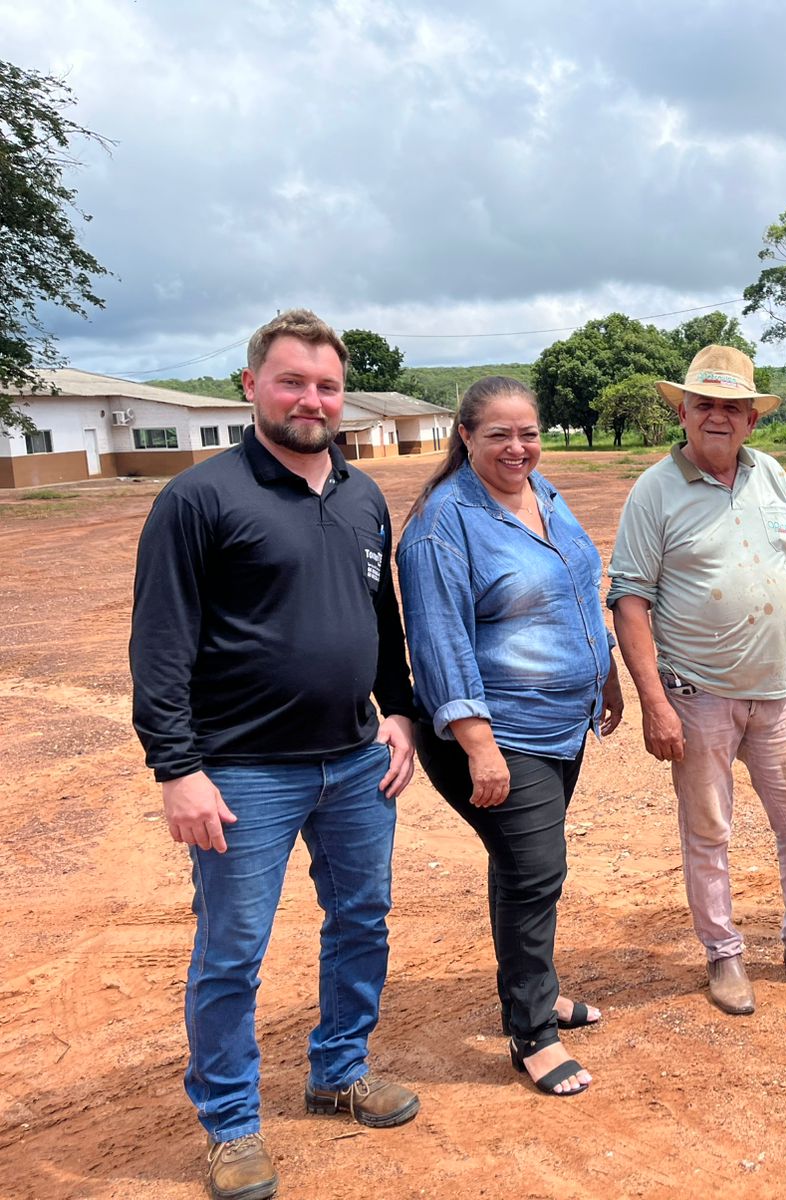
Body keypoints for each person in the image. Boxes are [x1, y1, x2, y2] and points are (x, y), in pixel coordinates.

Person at [130, 309, 420, 1200]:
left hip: (355, 762)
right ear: (250, 386)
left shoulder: (364, 495)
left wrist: (401, 712)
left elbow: (380, 622)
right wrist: (177, 769)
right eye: (292, 381)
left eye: (327, 385)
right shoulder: (199, 499)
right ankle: (231, 1125)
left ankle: (338, 1068)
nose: (311, 399)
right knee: (232, 952)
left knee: (361, 921)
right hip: (242, 773)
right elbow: (161, 647)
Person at [609, 345, 786, 1015]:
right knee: (709, 830)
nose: (718, 417)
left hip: (777, 694)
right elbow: (629, 600)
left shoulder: (772, 476)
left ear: (751, 419)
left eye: (732, 407)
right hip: (697, 696)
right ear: (685, 413)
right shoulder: (654, 491)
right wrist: (654, 702)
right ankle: (724, 955)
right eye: (705, 405)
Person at [398, 376, 623, 1096]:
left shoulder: (544, 494)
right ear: (465, 436)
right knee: (535, 873)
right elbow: (438, 643)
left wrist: (605, 674)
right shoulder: (442, 524)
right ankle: (533, 1034)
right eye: (499, 434)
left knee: (526, 871)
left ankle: (536, 989)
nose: (518, 447)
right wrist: (478, 744)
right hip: (498, 734)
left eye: (528, 432)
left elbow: (578, 588)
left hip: (560, 725)